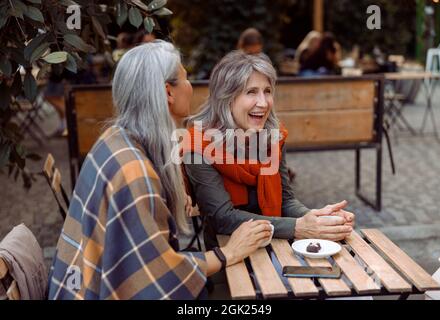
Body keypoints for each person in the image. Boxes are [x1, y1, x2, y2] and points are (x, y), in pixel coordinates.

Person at [47, 40, 272, 300]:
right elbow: (158, 277)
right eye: (185, 78)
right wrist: (229, 252)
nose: (191, 86)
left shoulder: (114, 139)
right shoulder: (134, 172)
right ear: (168, 92)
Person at [183, 51, 354, 251]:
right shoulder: (199, 147)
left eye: (267, 91)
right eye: (251, 92)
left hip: (277, 246)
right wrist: (299, 227)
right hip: (228, 256)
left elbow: (285, 200)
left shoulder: (273, 136)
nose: (263, 103)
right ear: (226, 98)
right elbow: (224, 219)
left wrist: (317, 219)